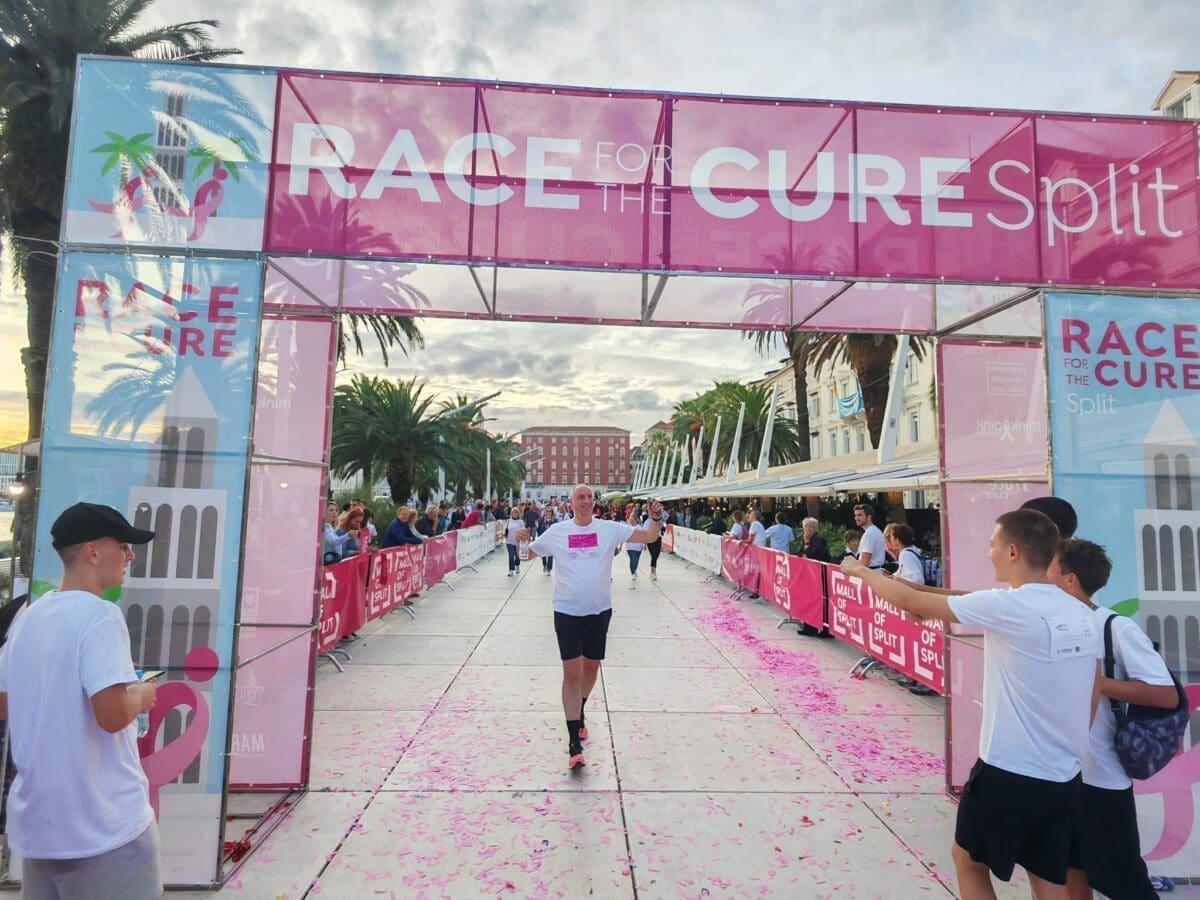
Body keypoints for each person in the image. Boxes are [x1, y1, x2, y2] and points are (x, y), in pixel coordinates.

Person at [842, 509, 1101, 899]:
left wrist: (859, 571)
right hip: (1063, 772)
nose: (988, 552)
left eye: (992, 544)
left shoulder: (1009, 607)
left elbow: (910, 599)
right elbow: (958, 599)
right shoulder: (1079, 612)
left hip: (1009, 769)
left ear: (1012, 551)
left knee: (968, 861)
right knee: (1047, 876)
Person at [0, 503, 161, 899]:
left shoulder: (28, 617)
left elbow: (5, 703)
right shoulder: (100, 615)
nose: (129, 556)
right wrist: (140, 694)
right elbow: (111, 715)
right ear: (93, 552)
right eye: (122, 546)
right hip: (103, 828)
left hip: (40, 829)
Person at [1049, 539, 1175, 900]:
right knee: (1070, 869)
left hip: (1102, 778)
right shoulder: (1054, 623)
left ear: (1070, 579)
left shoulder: (1114, 628)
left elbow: (1165, 694)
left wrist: (1097, 682)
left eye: (1049, 566)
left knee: (1123, 880)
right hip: (1065, 772)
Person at [518, 485, 662, 769]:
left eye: (589, 497)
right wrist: (522, 541)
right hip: (567, 612)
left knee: (591, 668)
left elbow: (648, 536)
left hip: (599, 612)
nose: (585, 501)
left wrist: (655, 518)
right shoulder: (558, 532)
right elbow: (526, 556)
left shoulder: (609, 529)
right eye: (580, 497)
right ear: (570, 503)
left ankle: (580, 708)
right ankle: (574, 742)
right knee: (572, 672)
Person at [853, 503, 885, 569]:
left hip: (870, 571)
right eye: (855, 515)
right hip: (876, 571)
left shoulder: (869, 534)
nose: (856, 518)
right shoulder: (875, 531)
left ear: (869, 517)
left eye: (860, 515)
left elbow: (864, 563)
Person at [625, 509, 645, 583]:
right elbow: (624, 535)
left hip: (638, 547)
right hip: (630, 547)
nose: (631, 521)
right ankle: (632, 573)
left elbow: (643, 536)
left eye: (632, 520)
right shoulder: (628, 527)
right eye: (630, 520)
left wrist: (645, 544)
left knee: (636, 561)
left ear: (636, 520)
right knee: (633, 559)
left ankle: (635, 569)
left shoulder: (639, 527)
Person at [536, 505, 557, 574]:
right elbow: (538, 529)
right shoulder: (542, 520)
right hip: (543, 540)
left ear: (552, 512)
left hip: (551, 540)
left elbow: (557, 530)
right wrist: (539, 538)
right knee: (543, 554)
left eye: (550, 511)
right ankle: (544, 565)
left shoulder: (555, 520)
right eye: (547, 511)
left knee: (550, 555)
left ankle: (549, 569)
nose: (548, 512)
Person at [504, 507, 523, 577]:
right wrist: (503, 534)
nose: (515, 513)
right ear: (511, 513)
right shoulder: (508, 521)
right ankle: (511, 570)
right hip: (509, 541)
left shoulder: (521, 521)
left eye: (517, 512)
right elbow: (505, 529)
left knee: (517, 556)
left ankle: (517, 565)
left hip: (518, 542)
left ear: (519, 514)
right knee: (511, 556)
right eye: (514, 512)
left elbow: (523, 530)